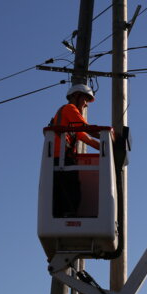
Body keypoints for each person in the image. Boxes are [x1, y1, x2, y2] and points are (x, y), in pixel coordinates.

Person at [49, 83, 101, 216]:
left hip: (62, 158)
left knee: (69, 191)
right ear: (76, 96)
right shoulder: (69, 108)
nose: (86, 104)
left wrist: (104, 147)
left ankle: (66, 215)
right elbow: (85, 128)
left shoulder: (70, 120)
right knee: (71, 190)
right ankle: (68, 215)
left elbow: (84, 137)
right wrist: (108, 137)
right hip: (61, 158)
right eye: (85, 100)